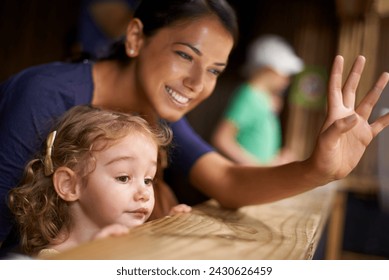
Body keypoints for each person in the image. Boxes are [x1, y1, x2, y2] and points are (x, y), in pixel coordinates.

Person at [1, 0, 389, 252]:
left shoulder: (154, 117)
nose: (198, 82)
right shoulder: (45, 97)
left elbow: (228, 182)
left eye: (215, 70)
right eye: (185, 54)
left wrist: (317, 170)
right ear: (136, 38)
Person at [7, 105, 191, 258]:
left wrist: (170, 233)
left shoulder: (131, 236)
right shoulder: (56, 260)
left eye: (148, 180)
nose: (143, 193)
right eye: (123, 178)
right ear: (69, 185)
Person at [211, 35, 303, 165]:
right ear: (268, 70)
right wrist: (258, 169)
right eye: (285, 74)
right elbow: (222, 139)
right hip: (248, 179)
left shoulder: (264, 99)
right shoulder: (249, 96)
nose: (287, 80)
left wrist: (275, 159)